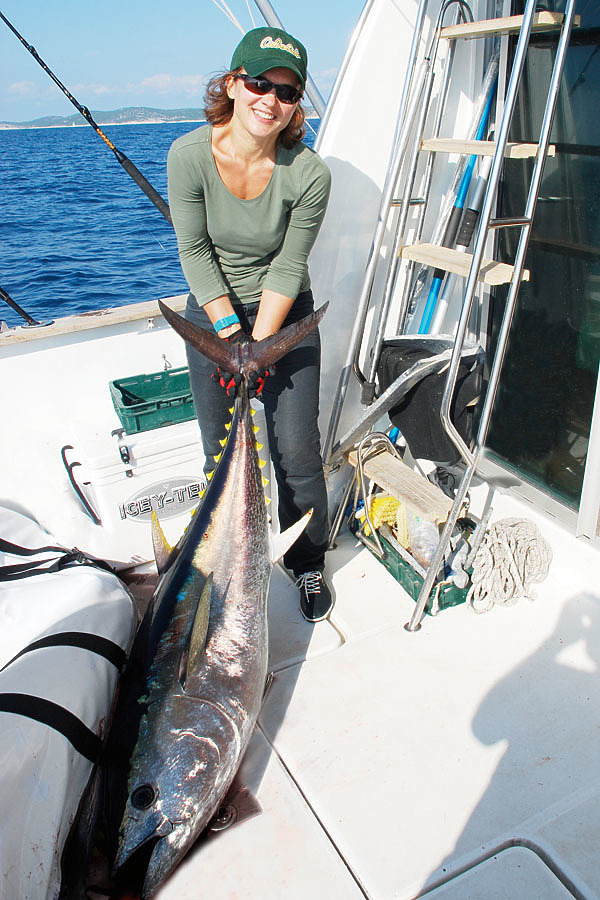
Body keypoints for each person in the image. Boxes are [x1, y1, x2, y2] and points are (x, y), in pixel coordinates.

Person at [167, 26, 333, 622]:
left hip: (284, 317)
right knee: (220, 452)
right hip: (215, 317)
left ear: (295, 104)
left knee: (298, 454)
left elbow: (288, 265)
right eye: (260, 83)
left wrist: (258, 346)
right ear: (233, 84)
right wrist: (232, 339)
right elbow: (194, 249)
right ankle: (226, 566)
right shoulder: (188, 155)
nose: (271, 100)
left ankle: (306, 560)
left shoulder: (309, 172)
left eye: (287, 92)